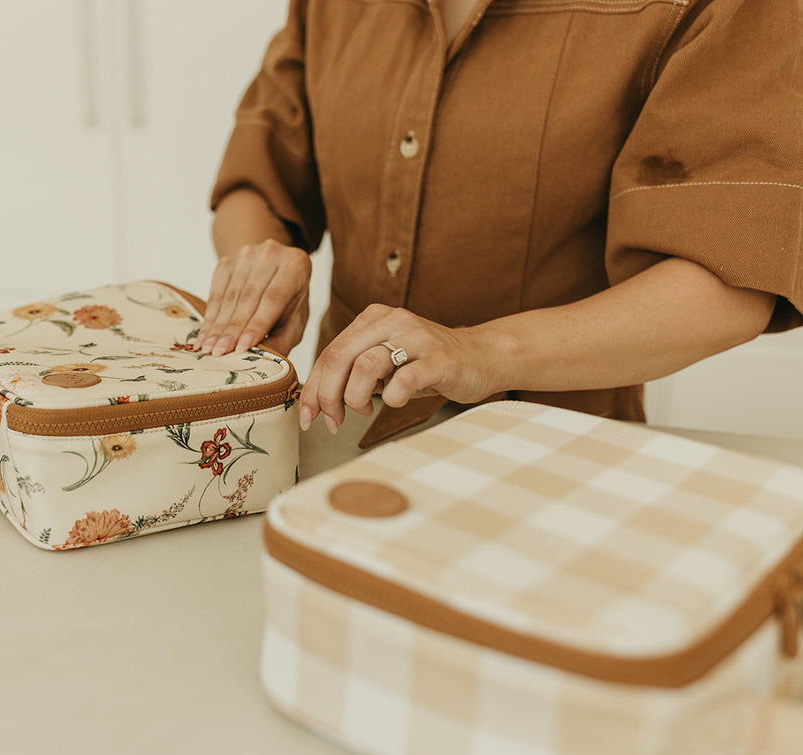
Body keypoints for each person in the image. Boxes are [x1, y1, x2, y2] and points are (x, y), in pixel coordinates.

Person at [199, 0, 803, 448]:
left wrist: (480, 351)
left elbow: (731, 276)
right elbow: (261, 171)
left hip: (557, 459)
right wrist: (262, 263)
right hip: (334, 436)